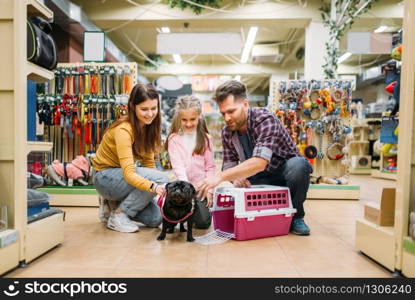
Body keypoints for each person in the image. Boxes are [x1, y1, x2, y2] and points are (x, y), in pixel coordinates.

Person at [198, 80, 312, 236]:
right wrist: (234, 178)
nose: (227, 118)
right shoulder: (227, 132)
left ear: (245, 104)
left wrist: (221, 176)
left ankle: (297, 216)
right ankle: (264, 214)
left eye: (231, 111)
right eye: (223, 113)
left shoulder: (265, 120)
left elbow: (259, 162)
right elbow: (228, 165)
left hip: (282, 173)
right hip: (257, 178)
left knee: (300, 166)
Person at [92, 83, 168, 233]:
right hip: (105, 178)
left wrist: (150, 195)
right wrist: (153, 186)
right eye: (144, 109)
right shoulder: (123, 130)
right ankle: (119, 215)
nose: (150, 114)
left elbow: (148, 165)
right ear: (133, 107)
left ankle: (112, 205)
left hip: (120, 180)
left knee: (156, 219)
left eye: (154, 108)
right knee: (161, 178)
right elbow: (129, 173)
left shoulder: (148, 128)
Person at [165, 95, 215, 229]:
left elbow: (210, 167)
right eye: (184, 120)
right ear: (179, 119)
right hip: (181, 188)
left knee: (203, 223)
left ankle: (191, 213)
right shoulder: (174, 139)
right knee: (170, 224)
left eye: (192, 119)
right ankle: (181, 214)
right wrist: (185, 193)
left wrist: (209, 190)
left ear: (199, 116)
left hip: (200, 188)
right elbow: (178, 167)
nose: (188, 124)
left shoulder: (206, 139)